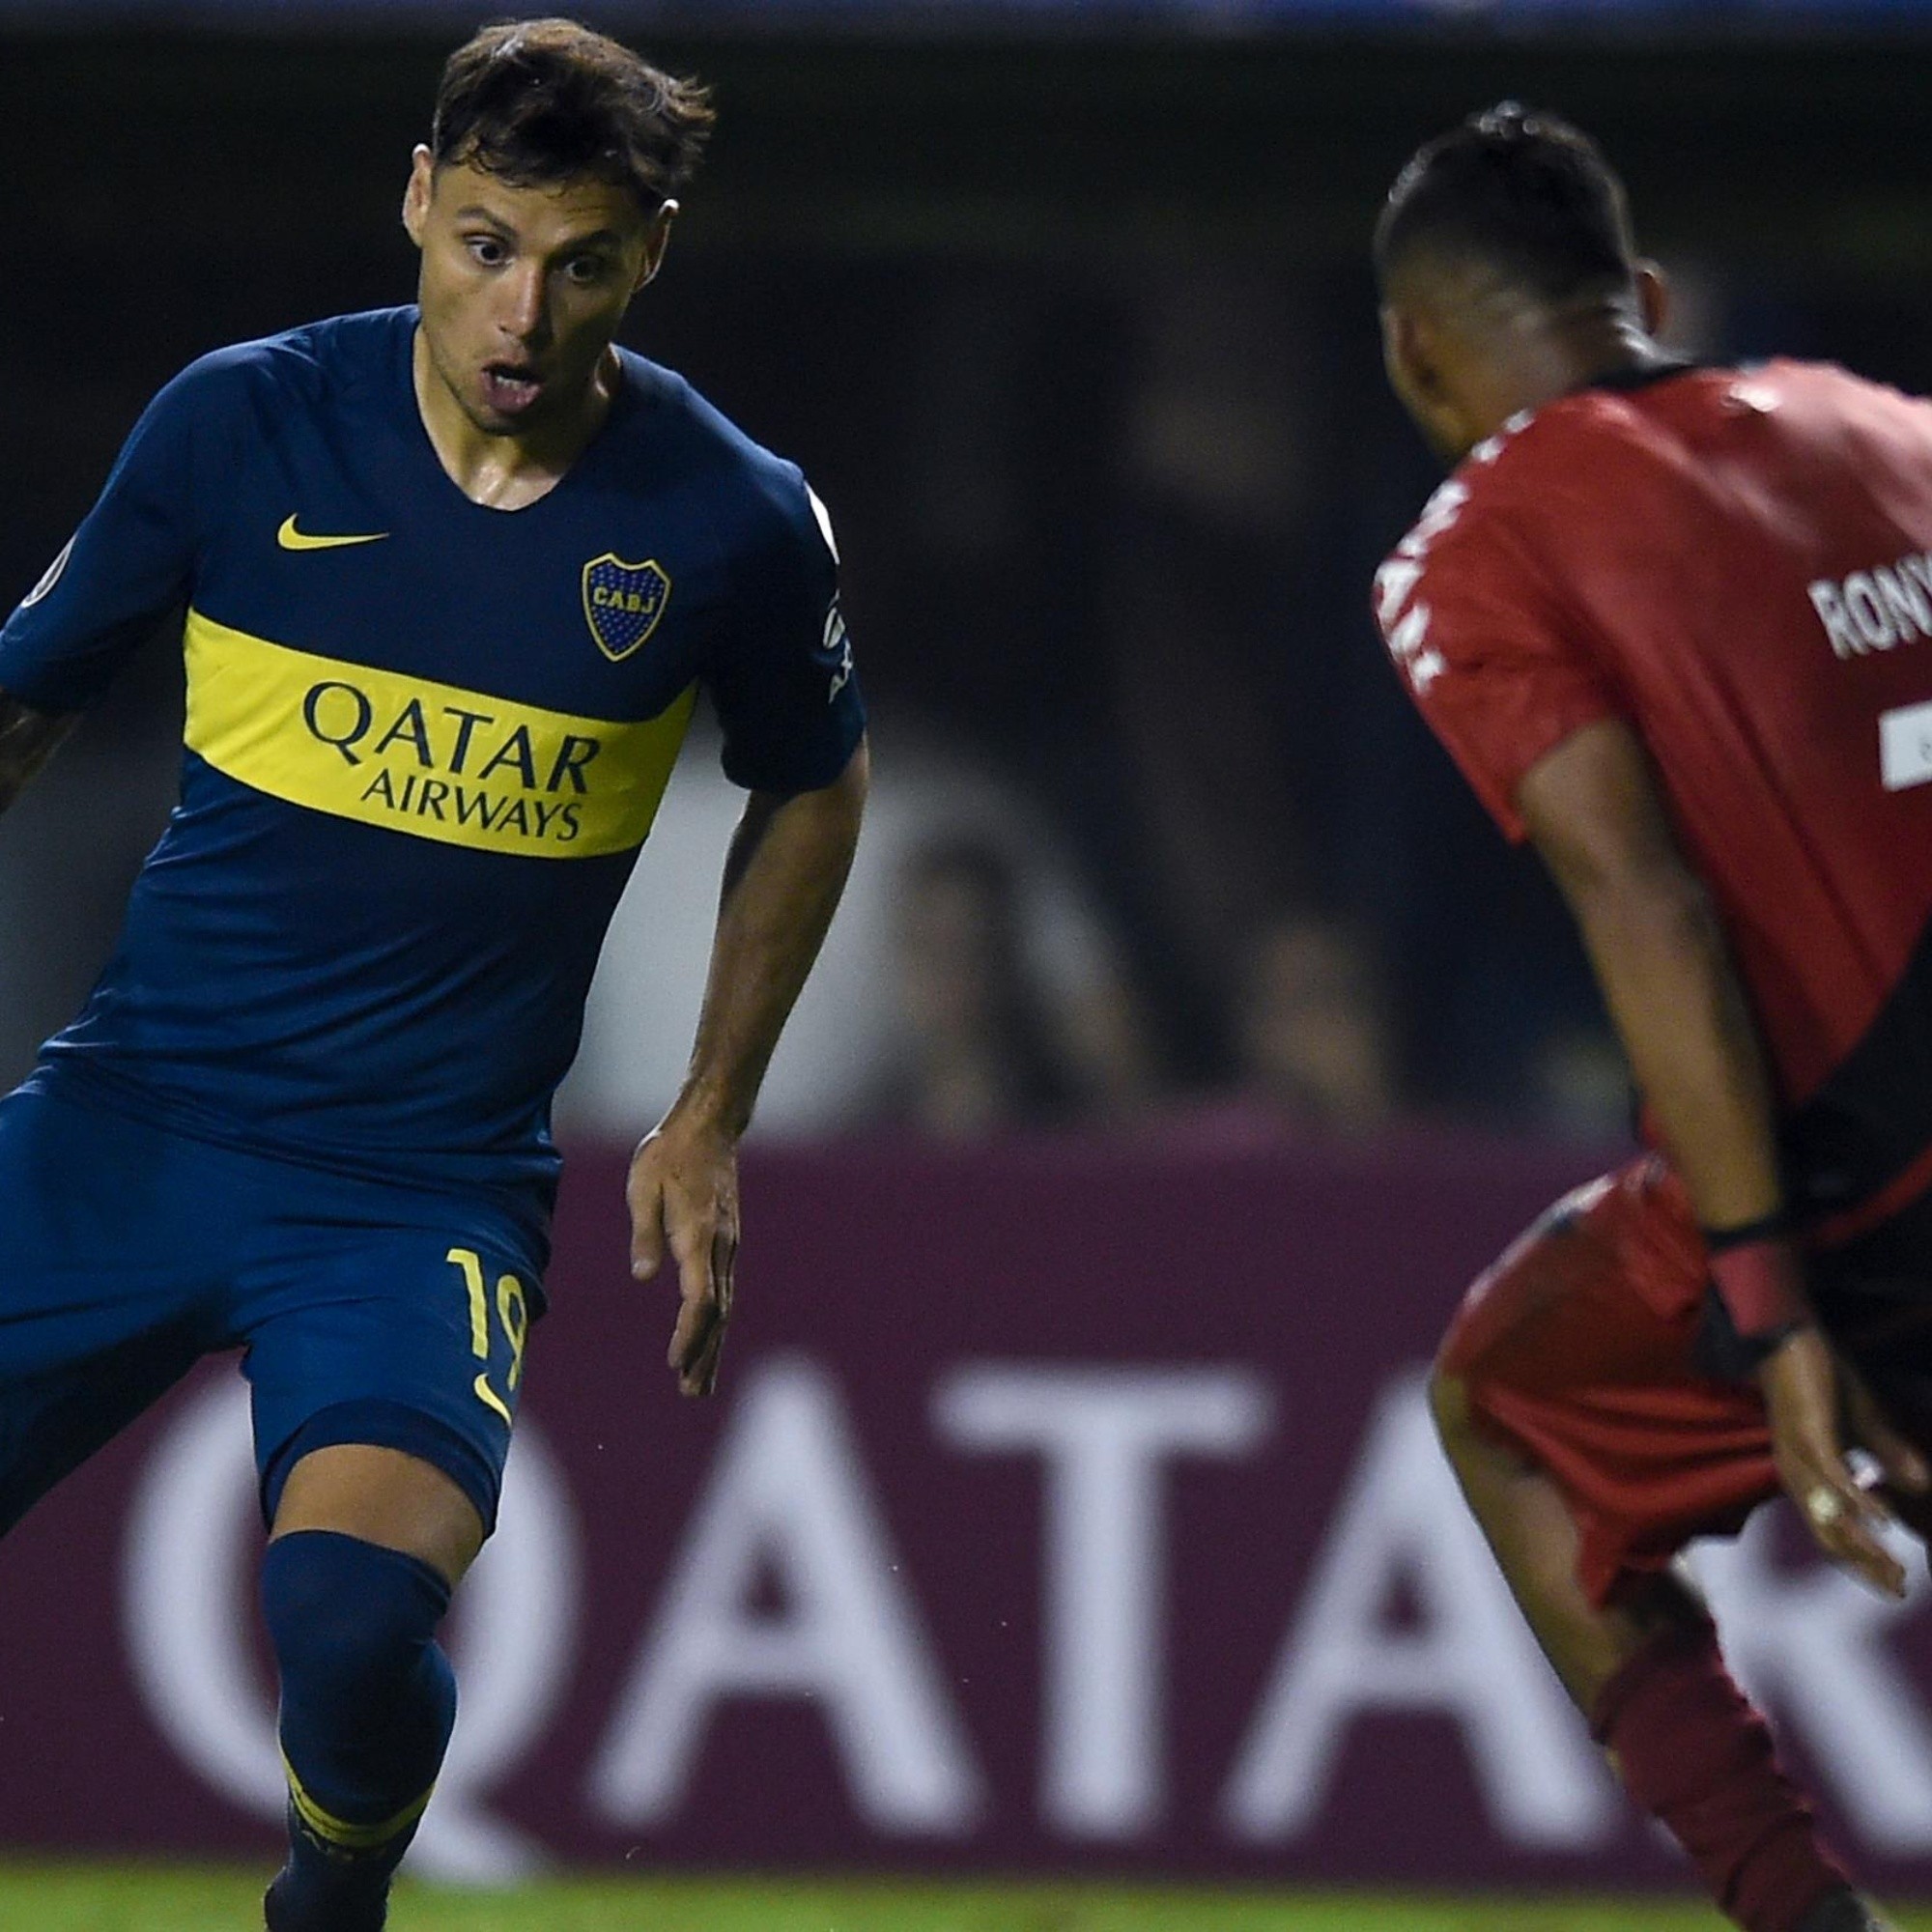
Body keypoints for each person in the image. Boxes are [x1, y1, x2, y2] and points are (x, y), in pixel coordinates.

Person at [0, 19, 867, 1930]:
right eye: (483, 243)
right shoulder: (239, 426)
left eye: (579, 263)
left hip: (409, 1191)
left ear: (650, 256)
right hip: (136, 1115)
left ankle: (339, 1877)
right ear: (415, 199)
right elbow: (24, 698)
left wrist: (709, 1111)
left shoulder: (726, 517)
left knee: (348, 1613)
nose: (520, 310)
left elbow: (814, 785)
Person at [1373, 104, 1932, 1932]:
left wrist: (1770, 1304)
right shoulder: (1889, 430)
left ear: (1412, 355)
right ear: (1651, 296)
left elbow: (1646, 898)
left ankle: (1796, 1911)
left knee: (1504, 1411)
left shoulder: (1480, 546)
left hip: (1866, 1193)